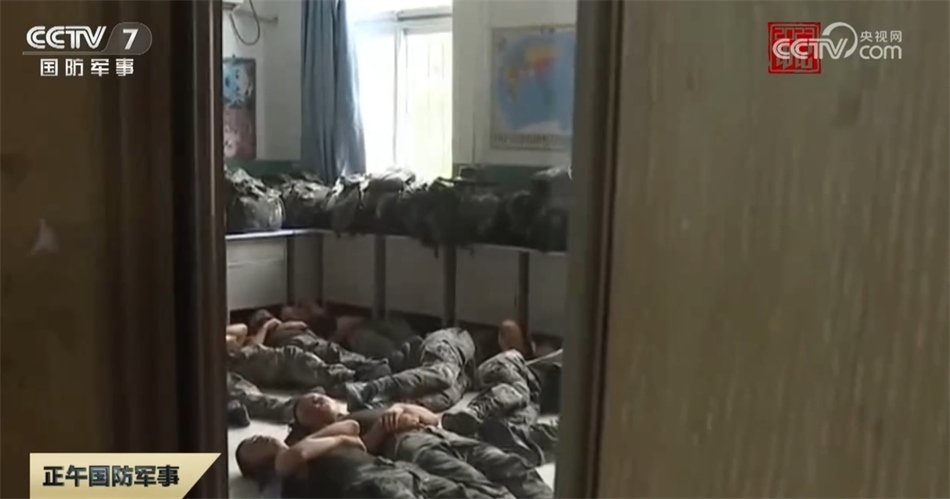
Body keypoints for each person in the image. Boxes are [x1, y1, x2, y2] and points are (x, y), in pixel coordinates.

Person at [286, 393, 552, 499]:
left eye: (316, 396)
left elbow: (432, 417)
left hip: (437, 433)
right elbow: (361, 451)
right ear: (308, 425)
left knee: (511, 466)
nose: (315, 401)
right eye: (308, 407)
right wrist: (384, 428)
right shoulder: (334, 434)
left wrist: (400, 408)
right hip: (409, 446)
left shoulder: (368, 407)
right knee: (473, 482)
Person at [235, 430, 493, 498]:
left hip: (402, 473)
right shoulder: (273, 473)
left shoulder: (309, 444)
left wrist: (325, 438)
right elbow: (292, 459)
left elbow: (351, 426)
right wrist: (339, 440)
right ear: (252, 465)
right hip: (370, 487)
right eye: (252, 444)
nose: (260, 437)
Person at [340, 327, 476, 412]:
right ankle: (374, 394)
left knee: (446, 390)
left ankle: (379, 398)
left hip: (461, 362)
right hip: (457, 350)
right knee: (444, 380)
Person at [250, 308, 393, 380]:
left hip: (311, 342)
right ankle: (367, 373)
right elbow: (253, 349)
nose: (268, 321)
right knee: (328, 367)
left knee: (337, 354)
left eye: (268, 317)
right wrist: (265, 328)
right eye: (262, 320)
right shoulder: (261, 337)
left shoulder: (288, 324)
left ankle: (375, 366)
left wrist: (284, 324)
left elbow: (304, 326)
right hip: (297, 350)